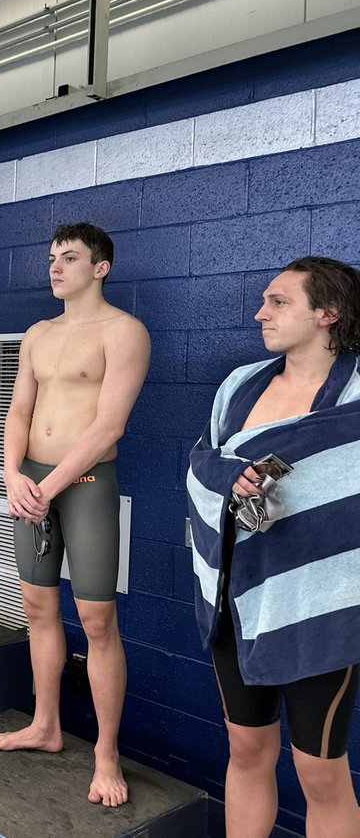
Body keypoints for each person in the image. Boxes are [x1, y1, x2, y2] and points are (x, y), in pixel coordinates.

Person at [187, 256, 360, 837]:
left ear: (327, 313)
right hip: (237, 596)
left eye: (279, 302)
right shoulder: (240, 384)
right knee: (246, 748)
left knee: (318, 771)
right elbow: (201, 461)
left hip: (319, 604)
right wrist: (227, 476)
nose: (261, 313)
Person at [0, 223, 150, 809]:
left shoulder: (125, 332)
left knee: (98, 621)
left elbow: (110, 425)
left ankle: (107, 753)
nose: (55, 267)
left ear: (100, 267)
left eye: (69, 258)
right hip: (32, 481)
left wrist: (47, 486)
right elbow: (18, 408)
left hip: (84, 484)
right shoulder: (37, 333)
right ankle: (46, 725)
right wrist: (12, 475)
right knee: (36, 607)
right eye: (51, 257)